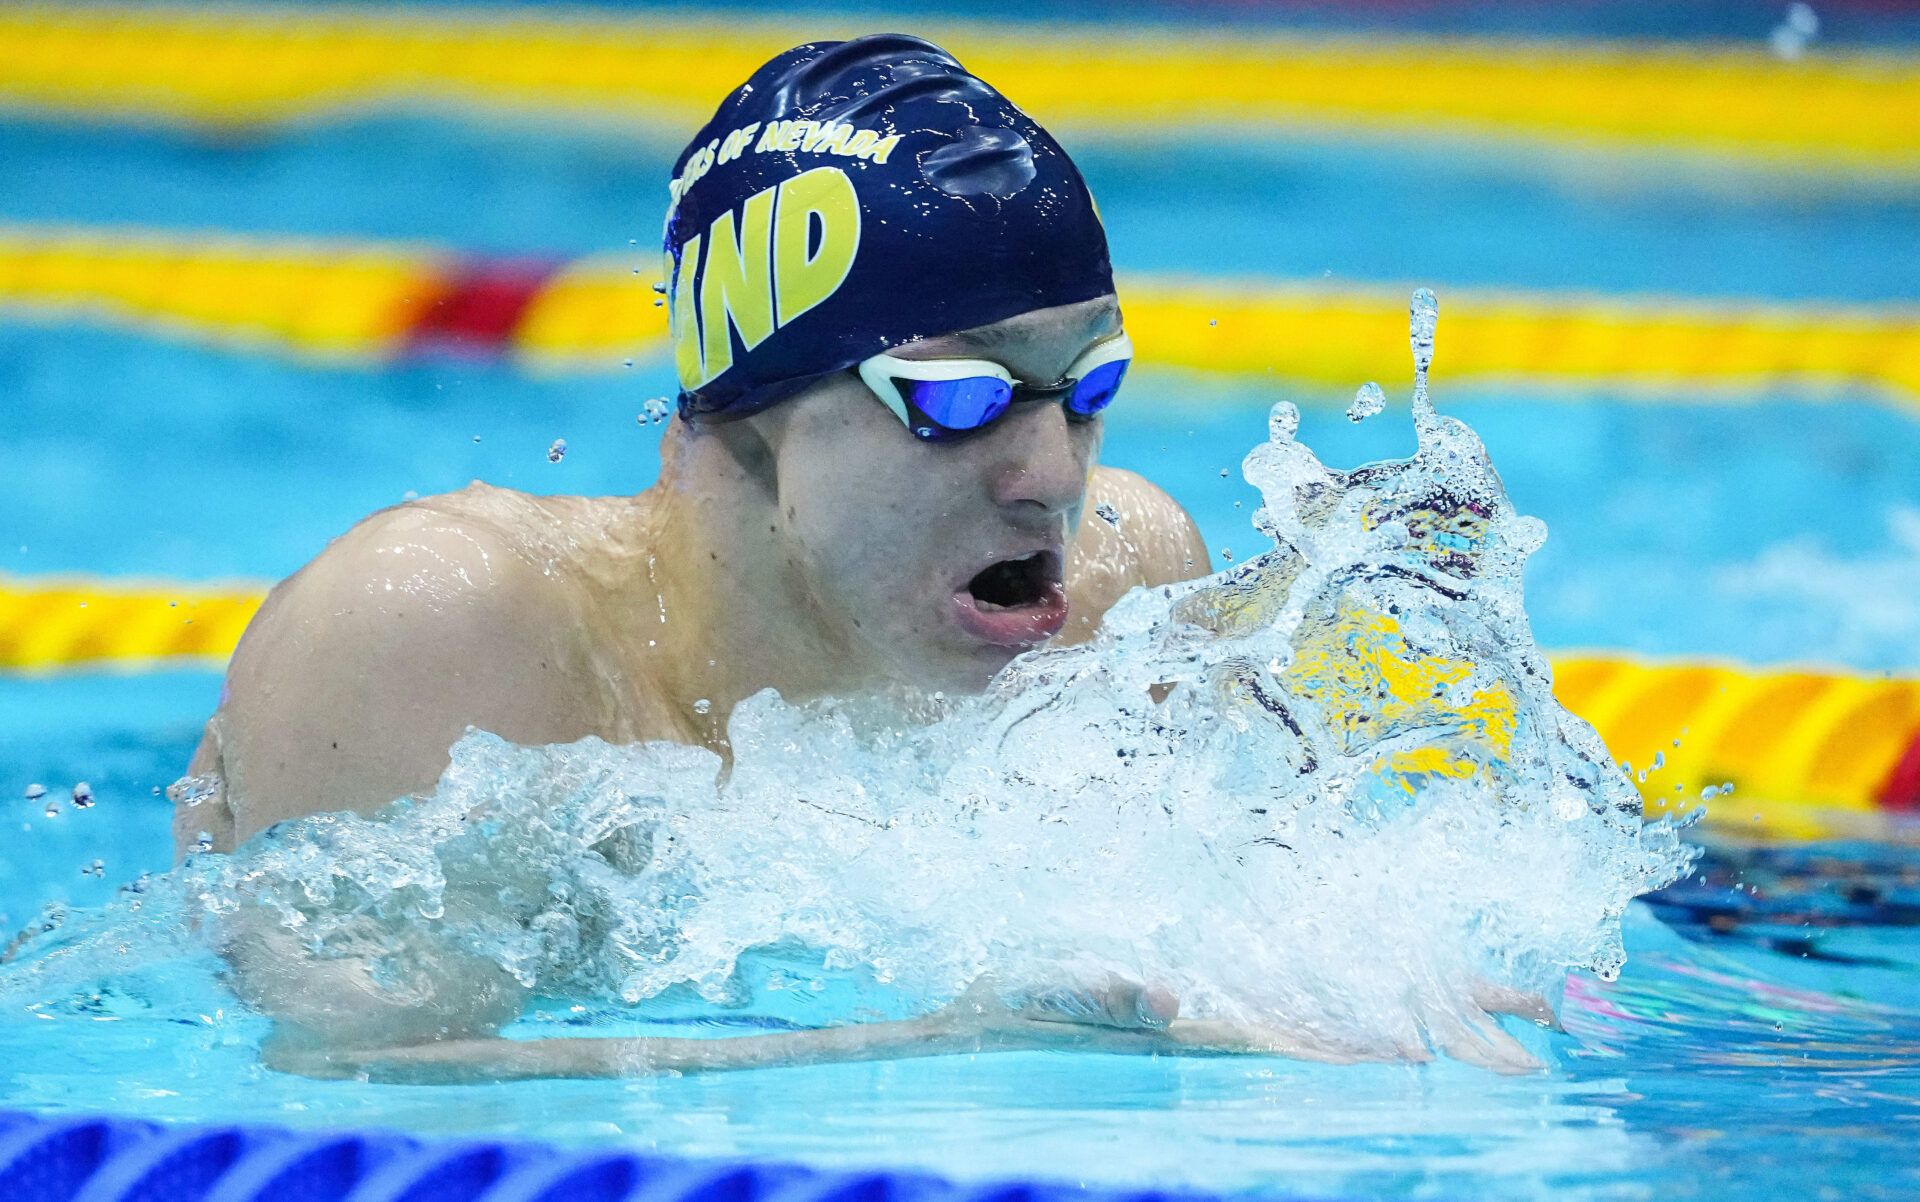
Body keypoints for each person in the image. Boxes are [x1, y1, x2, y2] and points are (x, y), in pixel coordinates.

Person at [177, 35, 1550, 1081]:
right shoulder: (443, 639)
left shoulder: (1125, 581)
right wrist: (957, 1037)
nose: (1054, 476)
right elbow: (355, 1098)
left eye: (1086, 385)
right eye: (956, 397)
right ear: (757, 419)